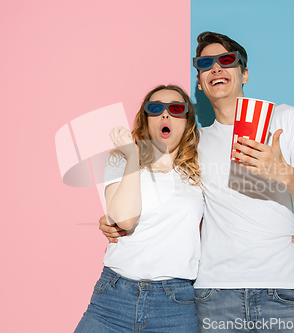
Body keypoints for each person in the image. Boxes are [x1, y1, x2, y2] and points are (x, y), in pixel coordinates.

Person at [101, 31, 294, 332]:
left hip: (281, 288)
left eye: (227, 60)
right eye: (206, 63)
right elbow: (177, 207)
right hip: (214, 295)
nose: (216, 68)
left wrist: (283, 173)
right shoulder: (194, 145)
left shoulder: (285, 120)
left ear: (245, 73)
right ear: (199, 81)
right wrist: (113, 219)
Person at [73, 85, 203, 332]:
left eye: (175, 109)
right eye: (156, 109)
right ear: (146, 119)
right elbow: (124, 219)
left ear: (187, 122)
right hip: (113, 298)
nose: (165, 115)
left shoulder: (198, 169)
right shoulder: (119, 159)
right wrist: (133, 156)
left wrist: (283, 237)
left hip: (174, 305)